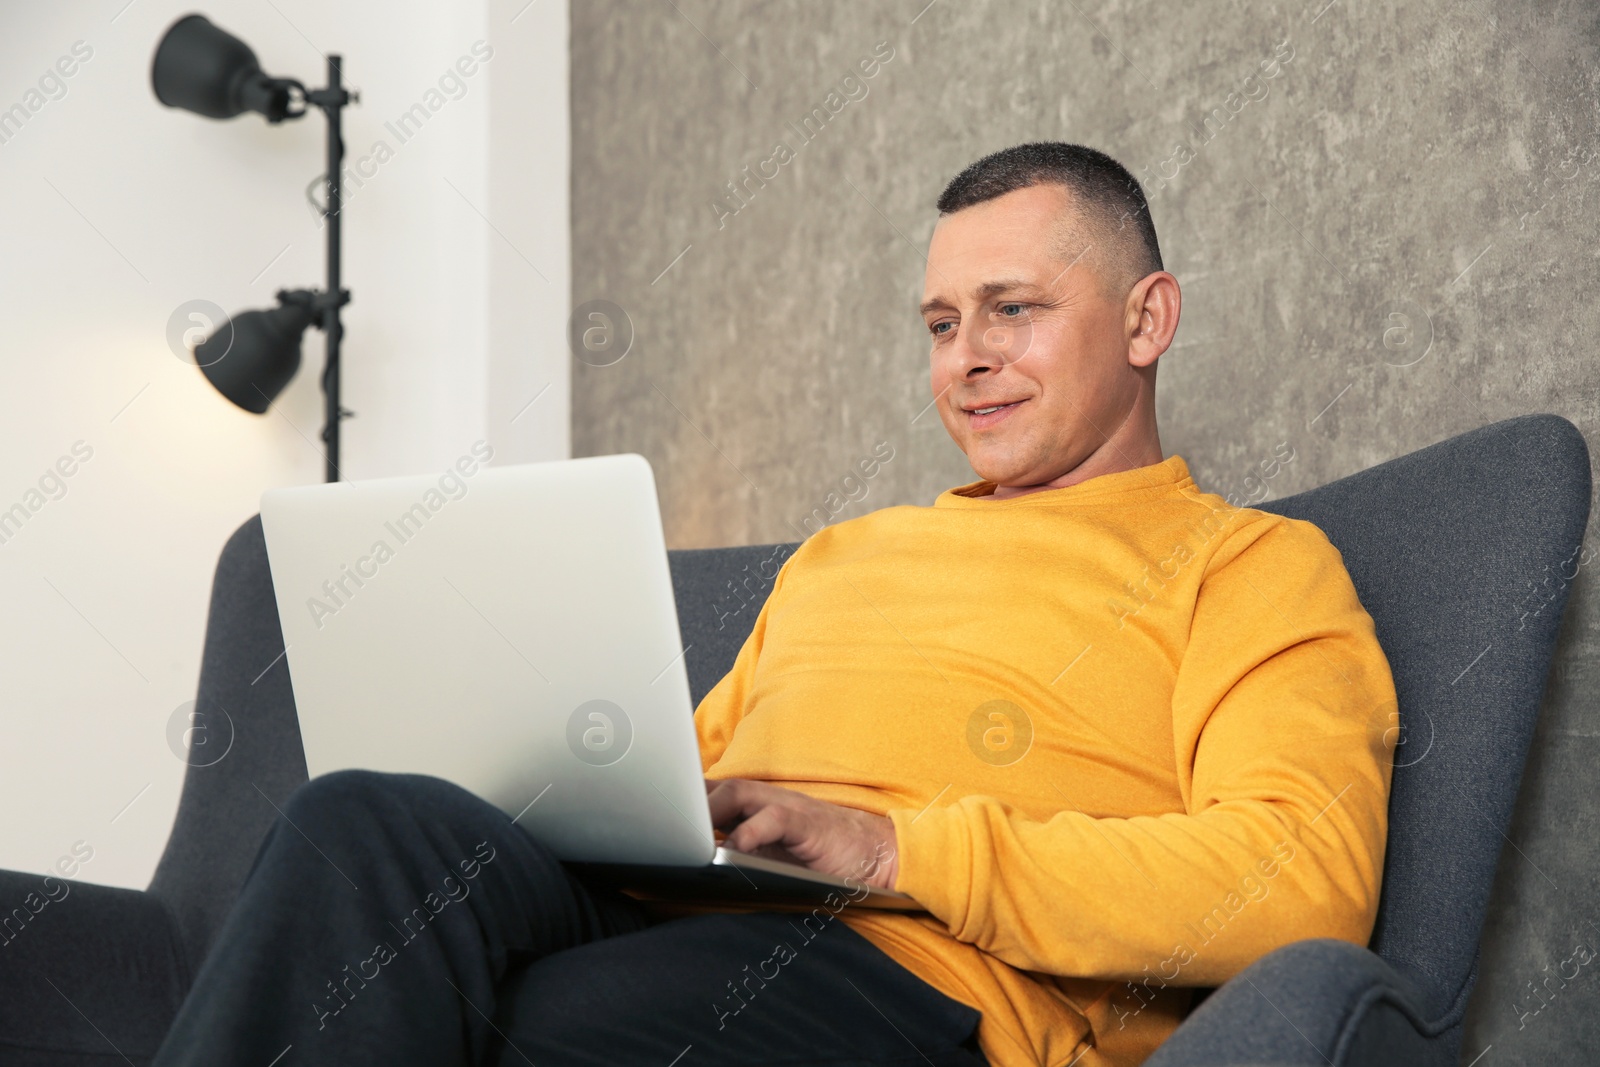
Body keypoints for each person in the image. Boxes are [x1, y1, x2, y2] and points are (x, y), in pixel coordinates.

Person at [151, 142, 1397, 1067]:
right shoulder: (844, 555)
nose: (965, 357)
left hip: (913, 975)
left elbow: (1297, 880)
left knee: (535, 1025)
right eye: (941, 321)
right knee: (358, 823)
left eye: (1013, 310)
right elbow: (679, 778)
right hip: (682, 908)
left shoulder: (1248, 563)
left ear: (1147, 318)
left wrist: (894, 848)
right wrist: (591, 789)